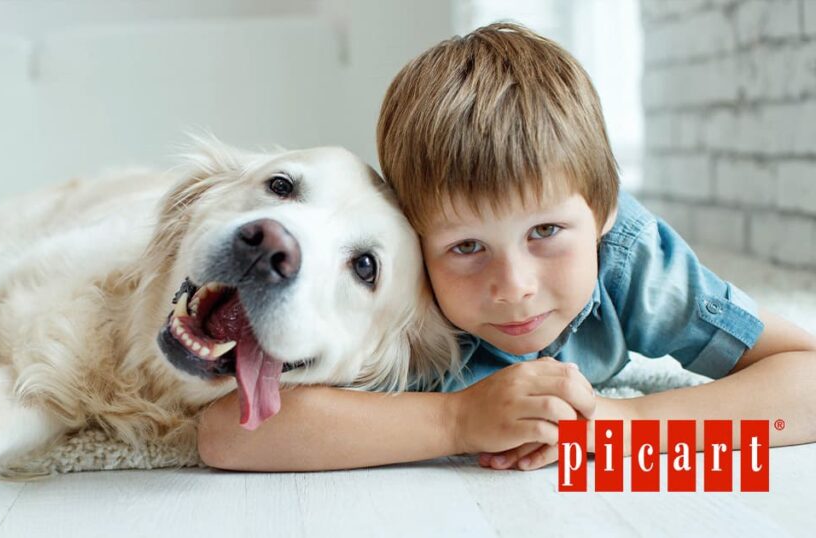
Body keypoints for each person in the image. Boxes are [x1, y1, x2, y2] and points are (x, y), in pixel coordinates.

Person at [195, 22, 816, 472]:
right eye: (466, 246)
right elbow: (228, 435)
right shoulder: (403, 295)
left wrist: (617, 425)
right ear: (416, 241)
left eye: (545, 233)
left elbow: (805, 377)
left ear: (599, 213)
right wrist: (456, 420)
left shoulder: (629, 258)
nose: (513, 284)